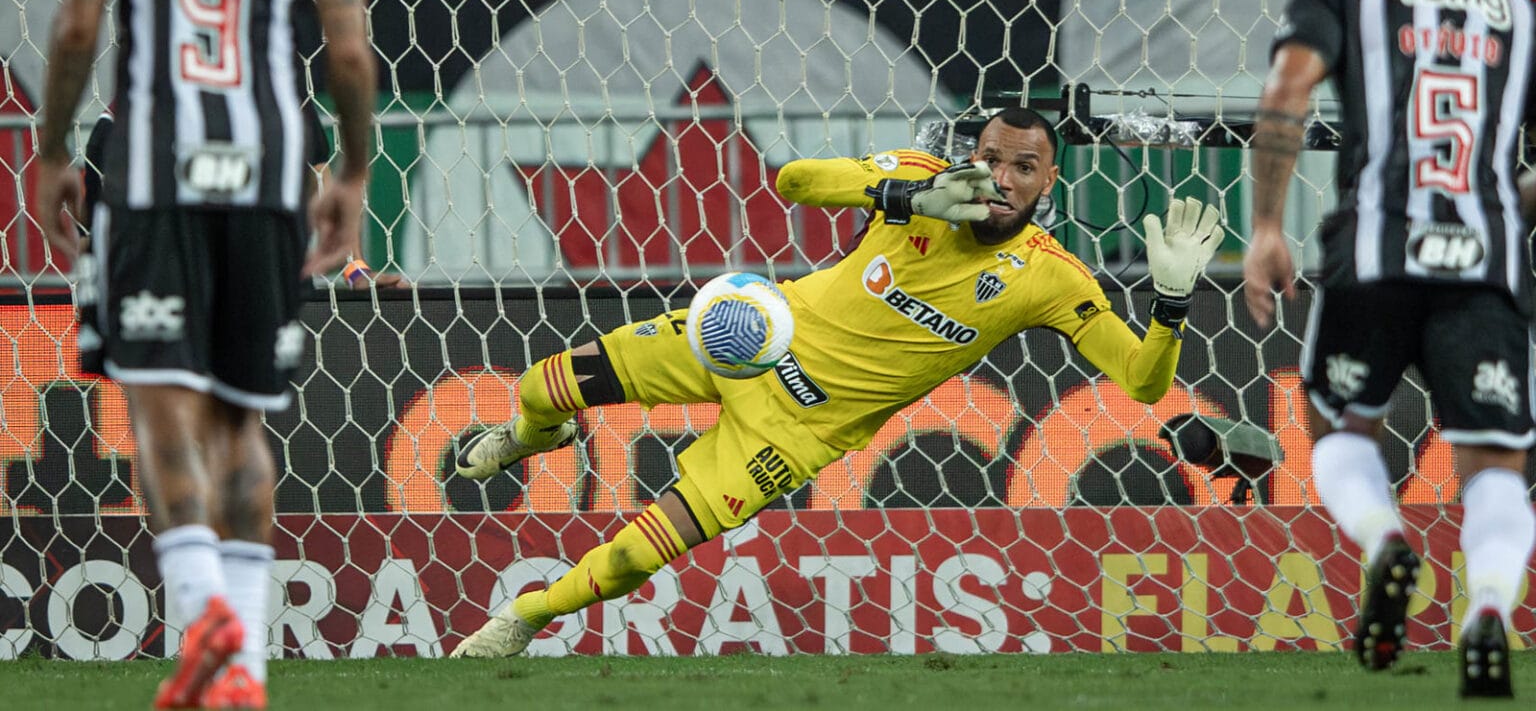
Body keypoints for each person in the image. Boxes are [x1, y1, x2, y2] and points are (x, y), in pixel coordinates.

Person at [450, 106, 1225, 657]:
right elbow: (794, 179)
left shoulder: (1050, 276)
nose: (1002, 177)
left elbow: (1145, 382)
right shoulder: (921, 179)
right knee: (544, 385)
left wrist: (1171, 304)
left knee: (633, 560)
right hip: (748, 337)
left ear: (1049, 179)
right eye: (992, 158)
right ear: (973, 154)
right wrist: (904, 194)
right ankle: (531, 434)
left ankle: (521, 617)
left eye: (1024, 166)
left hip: (798, 432)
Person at [30, 0, 377, 707]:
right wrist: (351, 170)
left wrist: (53, 148)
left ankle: (201, 610)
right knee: (243, 416)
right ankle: (247, 678)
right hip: (270, 166)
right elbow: (349, 50)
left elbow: (78, 28)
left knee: (162, 400)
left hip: (151, 162)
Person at [1242, 0, 1536, 699]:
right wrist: (1506, 206)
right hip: (1483, 263)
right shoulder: (1518, 11)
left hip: (1373, 252)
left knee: (1338, 428)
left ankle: (1384, 541)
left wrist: (1265, 225)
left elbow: (1286, 91)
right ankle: (1486, 608)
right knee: (1496, 466)